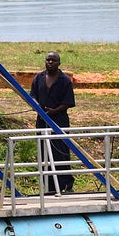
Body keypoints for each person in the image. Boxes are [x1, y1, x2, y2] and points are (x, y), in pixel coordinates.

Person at [30, 51, 75, 194]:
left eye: (53, 60)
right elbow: (32, 96)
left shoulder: (65, 80)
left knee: (60, 151)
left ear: (59, 63)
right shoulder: (39, 78)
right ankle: (49, 186)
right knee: (44, 152)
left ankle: (66, 183)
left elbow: (68, 102)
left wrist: (54, 111)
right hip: (42, 121)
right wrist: (37, 106)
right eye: (48, 60)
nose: (50, 62)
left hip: (59, 120)